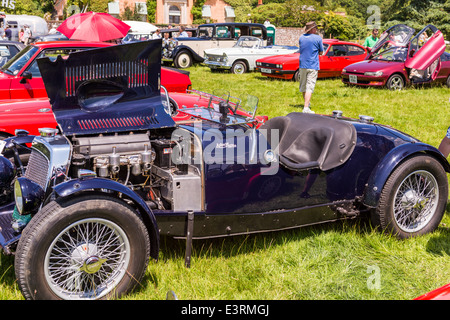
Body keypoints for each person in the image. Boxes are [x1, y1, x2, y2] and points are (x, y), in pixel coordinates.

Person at [298, 21, 323, 114]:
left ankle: (306, 104)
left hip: (302, 64)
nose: (316, 29)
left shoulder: (301, 38)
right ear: (312, 29)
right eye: (315, 28)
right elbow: (321, 52)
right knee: (310, 86)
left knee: (303, 85)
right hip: (312, 65)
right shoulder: (318, 38)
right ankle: (306, 108)